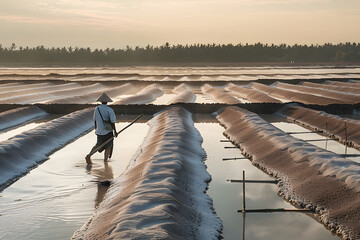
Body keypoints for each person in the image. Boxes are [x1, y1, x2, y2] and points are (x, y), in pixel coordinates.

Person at [85, 93, 118, 164]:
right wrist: (115, 131)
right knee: (108, 146)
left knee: (98, 145)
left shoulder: (97, 109)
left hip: (99, 131)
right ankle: (105, 161)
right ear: (107, 102)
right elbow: (112, 122)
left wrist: (96, 128)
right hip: (108, 132)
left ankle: (89, 155)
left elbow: (95, 120)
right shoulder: (110, 110)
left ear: (101, 101)